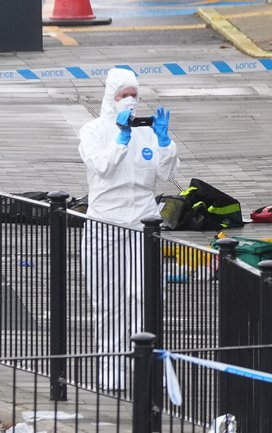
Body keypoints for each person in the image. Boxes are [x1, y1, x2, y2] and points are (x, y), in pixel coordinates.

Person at [78, 67, 181, 390]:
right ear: (110, 97)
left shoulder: (146, 132)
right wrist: (121, 138)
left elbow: (165, 172)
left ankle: (146, 361)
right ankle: (111, 365)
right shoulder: (93, 131)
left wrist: (164, 141)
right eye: (123, 95)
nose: (130, 101)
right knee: (108, 298)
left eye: (134, 95)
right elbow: (103, 167)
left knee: (143, 294)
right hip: (105, 222)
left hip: (142, 222)